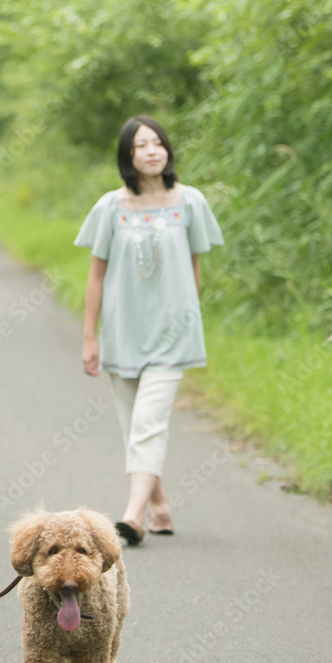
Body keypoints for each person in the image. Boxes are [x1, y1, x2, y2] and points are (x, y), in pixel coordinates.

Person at [75, 115, 223, 546]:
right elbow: (96, 276)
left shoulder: (189, 202)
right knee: (134, 425)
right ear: (128, 156)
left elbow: (195, 267)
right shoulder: (111, 207)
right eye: (141, 145)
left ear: (168, 150)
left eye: (157, 143)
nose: (152, 151)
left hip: (173, 335)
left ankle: (132, 517)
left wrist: (187, 314)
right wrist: (90, 336)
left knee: (149, 423)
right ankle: (160, 507)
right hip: (122, 332)